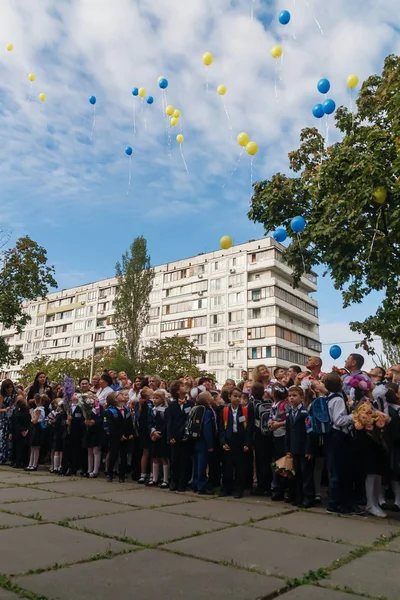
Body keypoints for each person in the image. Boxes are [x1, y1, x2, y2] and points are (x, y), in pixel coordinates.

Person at [323, 372, 363, 516]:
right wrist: (354, 416)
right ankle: (337, 504)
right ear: (340, 384)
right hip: (338, 436)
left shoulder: (327, 397)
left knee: (335, 469)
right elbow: (339, 420)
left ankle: (336, 501)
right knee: (340, 471)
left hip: (330, 437)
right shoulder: (338, 399)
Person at [285, 386, 316, 508]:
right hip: (294, 449)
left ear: (301, 397)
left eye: (294, 395)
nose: (291, 398)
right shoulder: (289, 413)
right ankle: (299, 497)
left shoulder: (305, 413)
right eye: (290, 396)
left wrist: (309, 450)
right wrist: (287, 449)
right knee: (296, 474)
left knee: (306, 475)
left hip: (303, 449)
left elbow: (310, 433)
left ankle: (309, 497)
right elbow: (288, 433)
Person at [219, 387, 250, 499]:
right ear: (229, 397)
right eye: (235, 396)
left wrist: (247, 443)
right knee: (227, 466)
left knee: (239, 467)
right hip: (229, 440)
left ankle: (238, 489)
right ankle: (227, 488)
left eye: (239, 396)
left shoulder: (245, 411)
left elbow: (248, 429)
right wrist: (223, 441)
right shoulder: (225, 411)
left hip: (240, 441)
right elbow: (221, 428)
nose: (237, 398)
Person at [166, 380, 194, 492]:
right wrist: (170, 436)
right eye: (182, 386)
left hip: (185, 436)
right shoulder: (171, 405)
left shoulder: (191, 404)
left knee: (185, 460)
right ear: (177, 391)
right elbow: (169, 422)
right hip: (175, 436)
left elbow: (191, 421)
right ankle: (174, 481)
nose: (185, 386)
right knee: (175, 460)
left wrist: (189, 434)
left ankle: (183, 482)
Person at [269, 384, 291, 501]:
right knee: (277, 462)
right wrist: (270, 423)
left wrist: (279, 424)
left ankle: (285, 489)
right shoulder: (274, 404)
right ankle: (278, 488)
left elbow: (290, 419)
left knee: (284, 463)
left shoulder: (284, 405)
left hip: (283, 436)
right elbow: (271, 417)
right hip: (276, 435)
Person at [251, 382, 273, 497]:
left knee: (260, 461)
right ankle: (269, 485)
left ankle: (261, 486)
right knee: (268, 460)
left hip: (258, 435)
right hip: (269, 434)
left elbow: (251, 422)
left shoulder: (253, 404)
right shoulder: (269, 403)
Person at [191, 391, 215, 496]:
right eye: (210, 396)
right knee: (202, 463)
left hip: (196, 439)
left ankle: (195, 483)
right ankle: (202, 486)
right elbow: (207, 428)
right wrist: (210, 444)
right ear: (208, 400)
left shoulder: (196, 409)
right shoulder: (208, 411)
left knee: (197, 463)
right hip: (204, 441)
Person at [149, 390, 170, 488]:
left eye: (157, 398)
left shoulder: (165, 410)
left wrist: (159, 433)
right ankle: (155, 478)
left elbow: (166, 423)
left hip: (162, 436)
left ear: (162, 399)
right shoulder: (153, 410)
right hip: (154, 436)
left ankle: (165, 479)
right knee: (155, 457)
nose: (154, 400)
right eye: (153, 398)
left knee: (163, 457)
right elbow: (150, 423)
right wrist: (153, 432)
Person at [84, 395, 104, 479]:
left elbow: (103, 418)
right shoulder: (86, 408)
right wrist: (86, 421)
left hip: (97, 431)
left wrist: (95, 421)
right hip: (89, 431)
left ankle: (95, 471)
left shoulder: (99, 407)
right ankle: (89, 470)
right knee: (89, 451)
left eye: (93, 396)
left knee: (96, 450)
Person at [25, 394, 46, 471]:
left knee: (36, 447)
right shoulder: (37, 409)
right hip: (33, 428)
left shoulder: (39, 410)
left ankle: (34, 464)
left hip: (37, 428)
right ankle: (30, 464)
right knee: (32, 447)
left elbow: (34, 421)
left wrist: (31, 414)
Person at [9, 397, 30, 469]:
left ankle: (19, 462)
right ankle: (22, 462)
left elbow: (18, 423)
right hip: (23, 431)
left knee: (20, 448)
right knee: (22, 448)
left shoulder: (18, 413)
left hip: (20, 431)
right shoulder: (27, 411)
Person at [0, 379, 17, 464]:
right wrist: (5, 410)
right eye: (7, 388)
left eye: (11, 387)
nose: (10, 389)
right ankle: (2, 456)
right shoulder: (2, 395)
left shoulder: (15, 394)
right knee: (3, 438)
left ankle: (10, 457)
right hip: (4, 418)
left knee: (11, 438)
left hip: (12, 417)